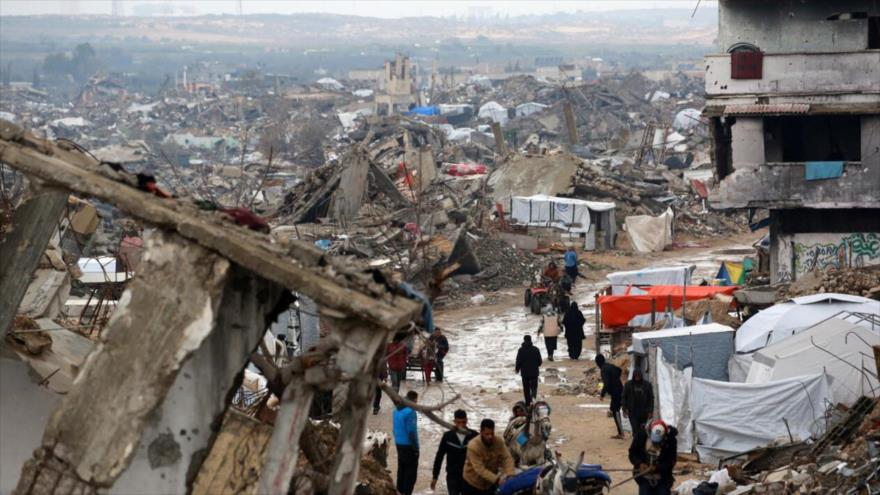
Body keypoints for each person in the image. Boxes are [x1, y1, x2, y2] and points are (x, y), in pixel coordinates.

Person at [462, 419, 515, 495]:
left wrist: (510, 474)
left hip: (489, 484)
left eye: (492, 433)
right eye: (487, 434)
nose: (490, 436)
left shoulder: (499, 441)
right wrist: (497, 479)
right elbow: (480, 469)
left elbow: (507, 458)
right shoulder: (473, 446)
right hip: (472, 483)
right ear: (481, 432)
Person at [432, 409, 478, 495]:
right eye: (458, 422)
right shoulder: (447, 436)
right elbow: (439, 456)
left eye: (463, 422)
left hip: (469, 475)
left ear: (467, 421)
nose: (461, 425)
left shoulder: (474, 436)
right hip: (452, 475)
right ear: (454, 422)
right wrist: (435, 476)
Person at [628, 419, 678, 495]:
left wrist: (657, 467)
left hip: (662, 477)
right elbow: (633, 453)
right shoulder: (641, 435)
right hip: (644, 477)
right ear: (650, 432)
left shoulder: (670, 440)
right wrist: (639, 464)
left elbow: (671, 461)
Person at [393, 390, 420, 495]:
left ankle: (399, 492)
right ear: (413, 400)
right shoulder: (410, 412)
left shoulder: (396, 411)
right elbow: (411, 432)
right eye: (416, 400)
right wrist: (416, 448)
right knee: (411, 475)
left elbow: (394, 430)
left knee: (401, 471)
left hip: (399, 444)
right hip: (409, 446)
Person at [596, 353, 624, 439]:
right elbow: (619, 370)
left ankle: (621, 433)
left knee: (616, 411)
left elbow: (606, 383)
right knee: (614, 409)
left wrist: (602, 395)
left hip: (616, 392)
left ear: (597, 363)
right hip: (619, 389)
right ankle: (620, 432)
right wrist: (615, 379)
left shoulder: (604, 370)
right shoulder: (609, 365)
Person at [623, 369, 655, 435]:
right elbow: (624, 397)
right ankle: (636, 440)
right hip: (632, 411)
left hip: (644, 411)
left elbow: (651, 398)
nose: (637, 377)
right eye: (635, 376)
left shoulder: (647, 385)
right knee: (635, 428)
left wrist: (650, 411)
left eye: (638, 376)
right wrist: (624, 408)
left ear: (641, 376)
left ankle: (640, 441)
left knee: (642, 428)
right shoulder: (628, 385)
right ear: (633, 376)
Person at [514, 335, 542, 406]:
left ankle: (527, 402)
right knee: (534, 387)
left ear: (524, 340)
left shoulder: (521, 350)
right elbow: (540, 361)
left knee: (526, 388)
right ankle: (533, 400)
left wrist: (517, 369)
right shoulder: (536, 349)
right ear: (530, 340)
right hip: (534, 372)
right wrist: (535, 366)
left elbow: (518, 361)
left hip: (525, 373)